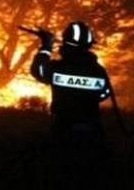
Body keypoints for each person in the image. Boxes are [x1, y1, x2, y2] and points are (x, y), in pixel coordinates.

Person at [29, 21, 111, 183]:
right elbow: (105, 93)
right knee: (90, 175)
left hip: (64, 129)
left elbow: (38, 71)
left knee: (63, 173)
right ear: (88, 46)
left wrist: (46, 46)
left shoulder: (59, 68)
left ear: (66, 44)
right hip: (92, 129)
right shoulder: (97, 70)